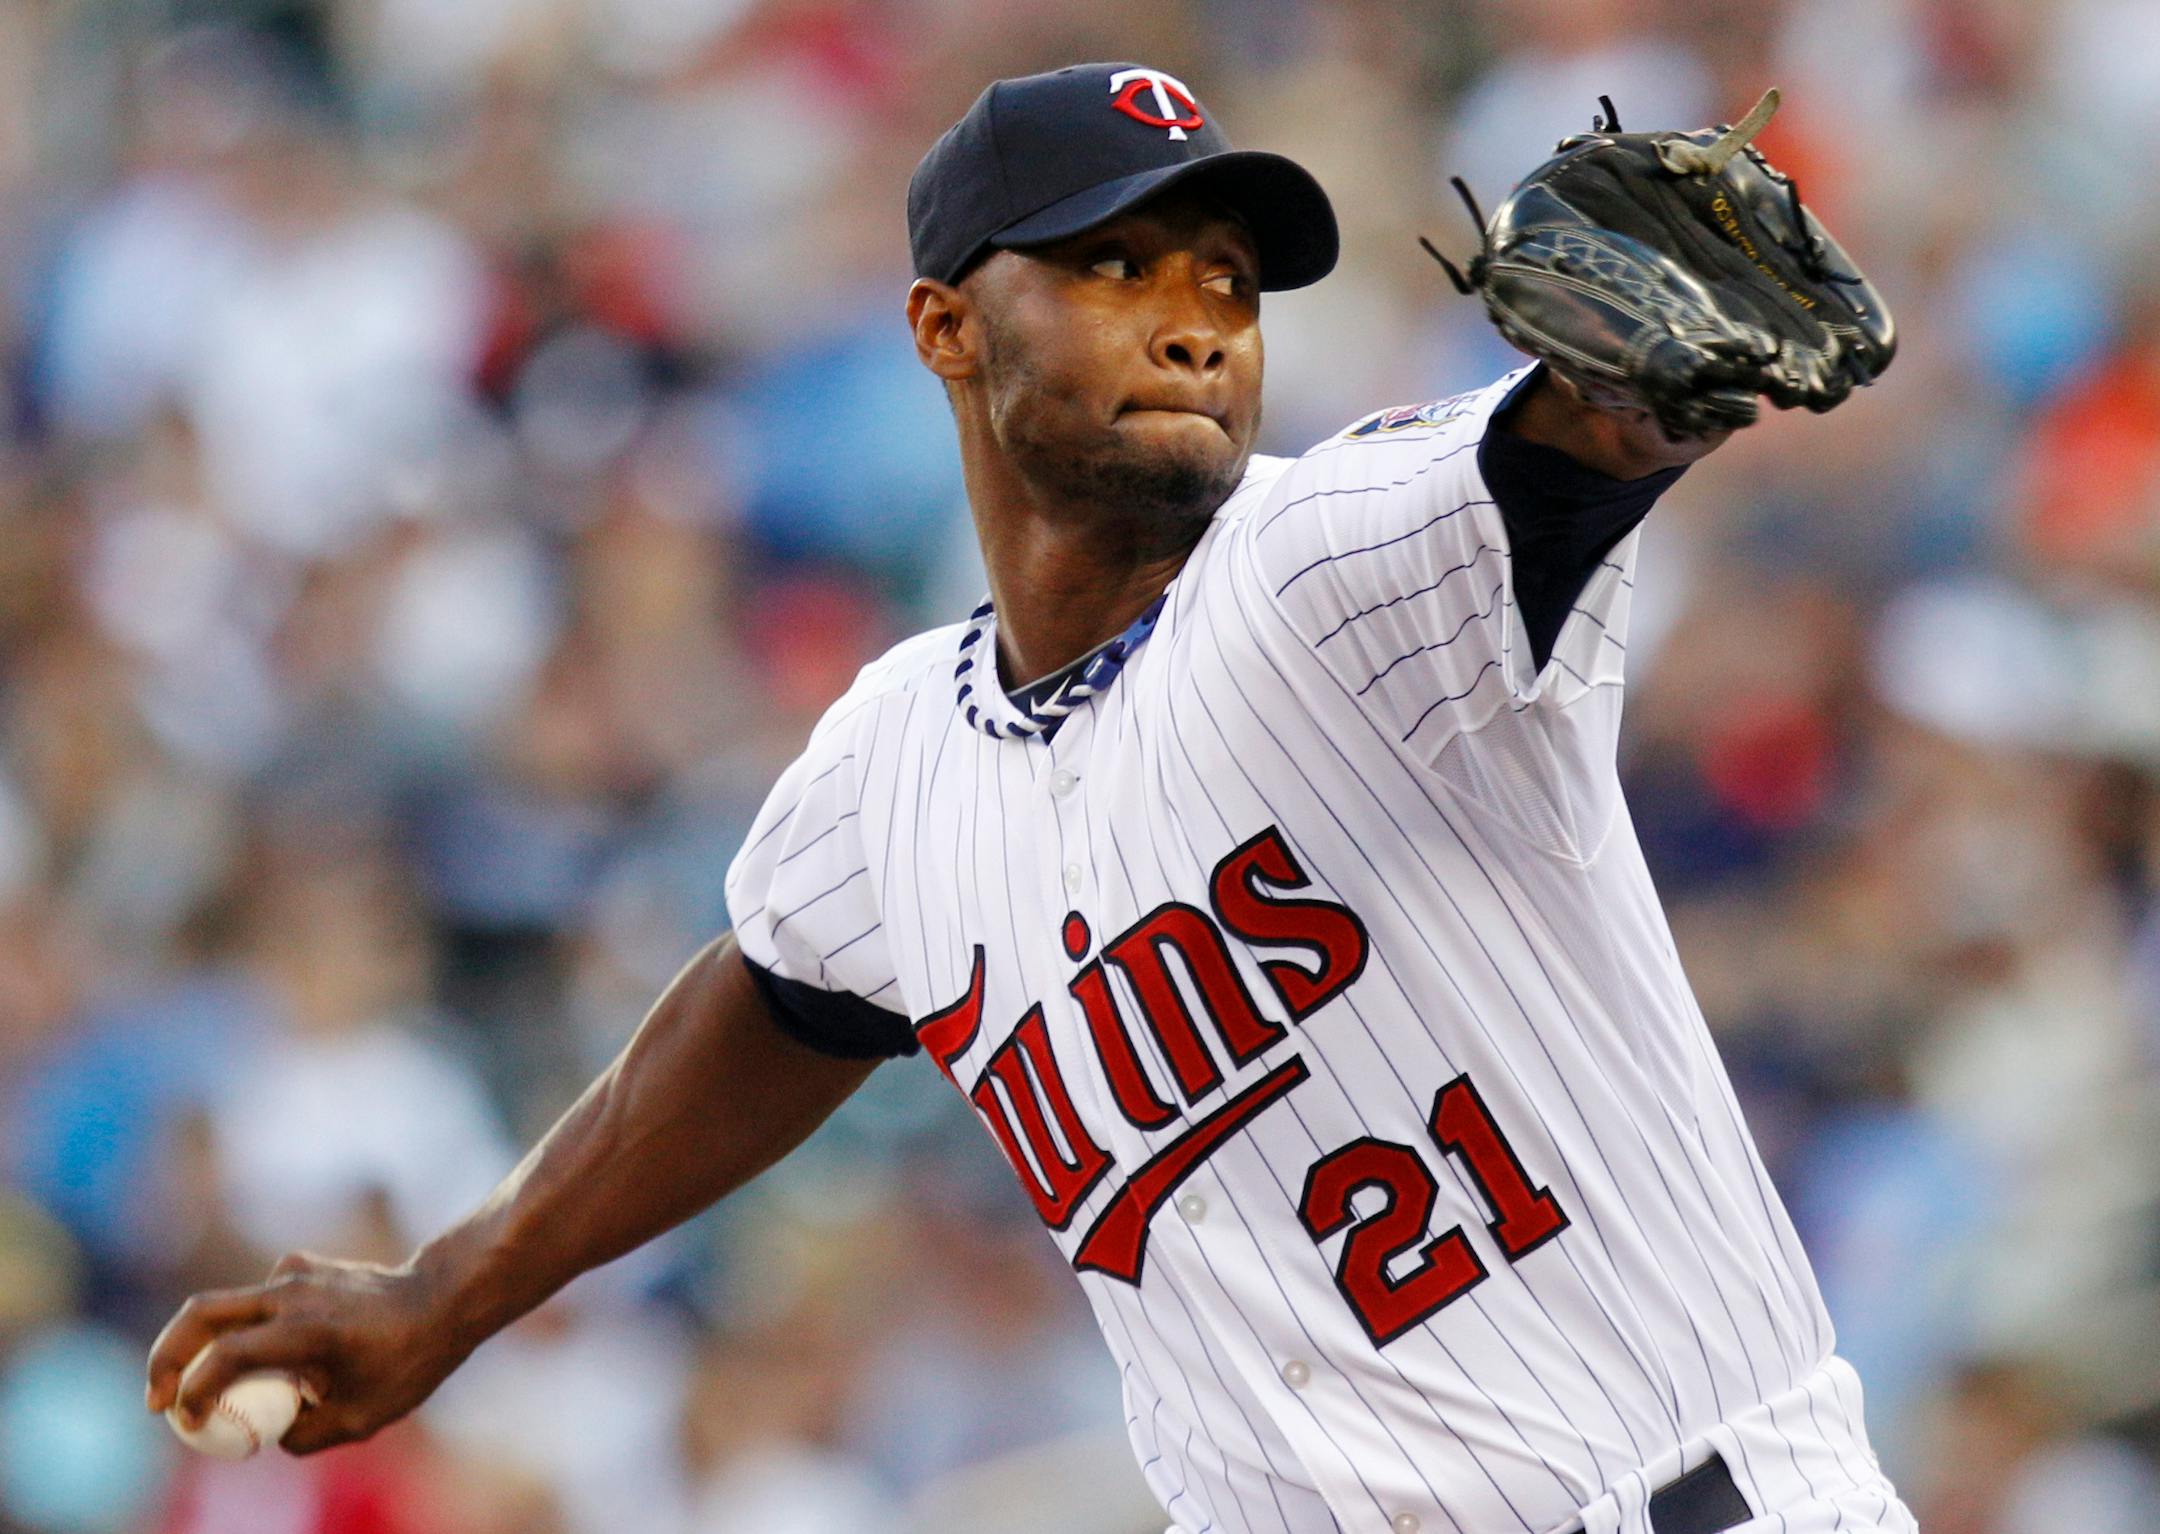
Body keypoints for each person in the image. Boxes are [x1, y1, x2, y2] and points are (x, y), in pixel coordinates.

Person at [148, 63, 1919, 1534]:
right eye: (1115, 267)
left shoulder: (1338, 561)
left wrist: (1632, 398)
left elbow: (1544, 459)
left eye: (1228, 278)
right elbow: (770, 1000)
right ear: (942, 324)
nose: (1196, 322)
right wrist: (448, 1294)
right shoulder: (893, 759)